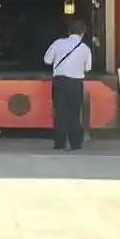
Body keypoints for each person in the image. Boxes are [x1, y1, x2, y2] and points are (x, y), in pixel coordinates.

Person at [44, 21, 93, 151]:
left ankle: (59, 143)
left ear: (69, 31)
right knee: (74, 112)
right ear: (83, 32)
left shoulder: (58, 43)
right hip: (76, 83)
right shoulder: (85, 48)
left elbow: (47, 60)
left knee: (59, 111)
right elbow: (88, 68)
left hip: (59, 81)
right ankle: (75, 143)